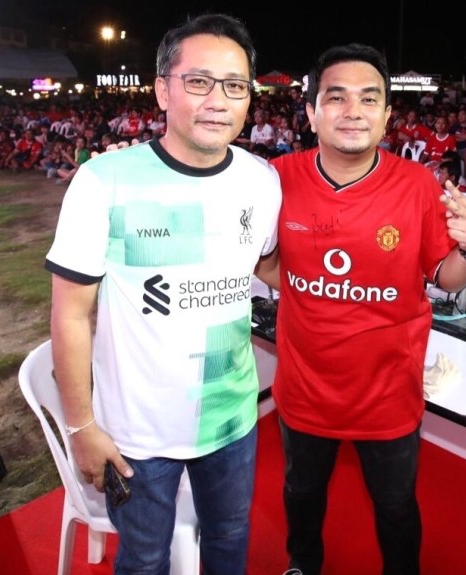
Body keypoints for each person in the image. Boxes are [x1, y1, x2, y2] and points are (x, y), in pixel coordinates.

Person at [44, 14, 281, 574]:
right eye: (198, 81)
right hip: (136, 432)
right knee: (145, 558)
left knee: (230, 537)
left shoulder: (261, 180)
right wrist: (81, 428)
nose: (218, 101)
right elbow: (71, 314)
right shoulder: (104, 181)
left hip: (232, 416)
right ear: (161, 90)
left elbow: (268, 264)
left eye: (235, 85)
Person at [257, 43, 466, 575]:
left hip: (388, 391)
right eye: (336, 98)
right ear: (311, 112)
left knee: (396, 505)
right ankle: (302, 563)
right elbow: (267, 264)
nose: (353, 111)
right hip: (306, 386)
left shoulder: (417, 185)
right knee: (302, 491)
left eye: (368, 99)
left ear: (386, 115)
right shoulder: (276, 179)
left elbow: (446, 277)